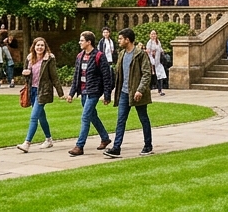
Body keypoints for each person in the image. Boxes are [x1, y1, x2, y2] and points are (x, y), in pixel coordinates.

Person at [104, 28, 153, 158]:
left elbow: (147, 74)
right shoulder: (121, 54)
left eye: (120, 39)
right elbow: (118, 75)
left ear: (127, 39)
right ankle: (116, 148)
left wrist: (140, 90)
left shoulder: (140, 54)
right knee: (121, 120)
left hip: (137, 93)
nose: (118, 41)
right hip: (124, 93)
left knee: (143, 118)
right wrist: (109, 91)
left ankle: (148, 146)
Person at [65, 30, 112, 156]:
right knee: (92, 116)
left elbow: (106, 77)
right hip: (83, 92)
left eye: (81, 40)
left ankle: (79, 146)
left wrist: (107, 95)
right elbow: (76, 76)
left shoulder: (99, 56)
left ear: (89, 42)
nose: (79, 42)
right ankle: (105, 138)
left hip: (94, 91)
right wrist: (71, 93)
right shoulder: (80, 56)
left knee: (85, 117)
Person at [17, 36, 60, 152]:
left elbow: (54, 76)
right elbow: (27, 75)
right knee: (41, 117)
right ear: (34, 47)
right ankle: (49, 139)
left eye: (42, 45)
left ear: (45, 47)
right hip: (32, 90)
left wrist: (61, 93)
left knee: (34, 116)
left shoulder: (49, 59)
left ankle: (27, 143)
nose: (40, 47)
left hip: (43, 91)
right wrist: (25, 73)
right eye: (38, 45)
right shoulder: (30, 58)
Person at [145, 29, 167, 97]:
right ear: (150, 35)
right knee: (152, 76)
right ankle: (149, 89)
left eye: (154, 34)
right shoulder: (149, 43)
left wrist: (162, 52)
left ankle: (160, 90)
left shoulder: (158, 42)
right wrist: (152, 52)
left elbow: (160, 49)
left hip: (158, 62)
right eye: (152, 34)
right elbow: (147, 51)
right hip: (152, 62)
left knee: (161, 75)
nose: (153, 35)